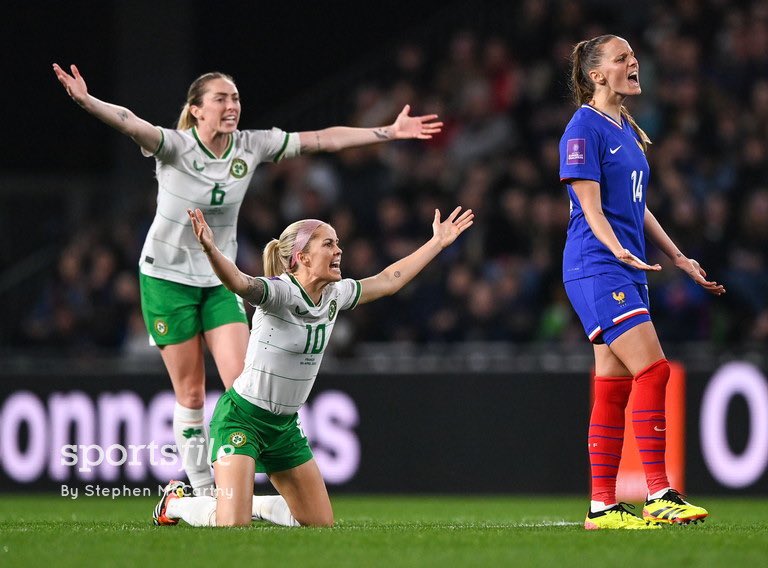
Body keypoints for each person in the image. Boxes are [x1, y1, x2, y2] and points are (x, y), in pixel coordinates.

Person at [52, 64, 442, 496]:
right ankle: (201, 494)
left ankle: (247, 481)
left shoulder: (251, 146)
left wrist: (387, 131)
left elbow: (322, 139)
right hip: (165, 277)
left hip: (221, 278)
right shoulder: (176, 146)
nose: (231, 105)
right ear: (196, 110)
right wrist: (88, 102)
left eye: (235, 98)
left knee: (243, 385)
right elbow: (130, 122)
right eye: (220, 98)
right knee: (192, 394)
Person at [152, 204, 473, 527]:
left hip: (284, 428)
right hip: (242, 419)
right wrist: (210, 249)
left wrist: (437, 243)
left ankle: (248, 503)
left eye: (337, 243)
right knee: (231, 525)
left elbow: (388, 280)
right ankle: (177, 503)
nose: (339, 250)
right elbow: (239, 282)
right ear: (302, 257)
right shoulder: (279, 292)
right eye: (329, 244)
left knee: (319, 524)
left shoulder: (335, 295)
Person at [558, 35, 726, 530]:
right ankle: (660, 493)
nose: (634, 63)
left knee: (612, 386)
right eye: (621, 58)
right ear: (596, 75)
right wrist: (615, 250)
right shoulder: (582, 128)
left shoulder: (624, 127)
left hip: (622, 264)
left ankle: (603, 506)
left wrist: (677, 256)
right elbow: (589, 206)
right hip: (597, 264)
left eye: (633, 56)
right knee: (654, 372)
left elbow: (635, 205)